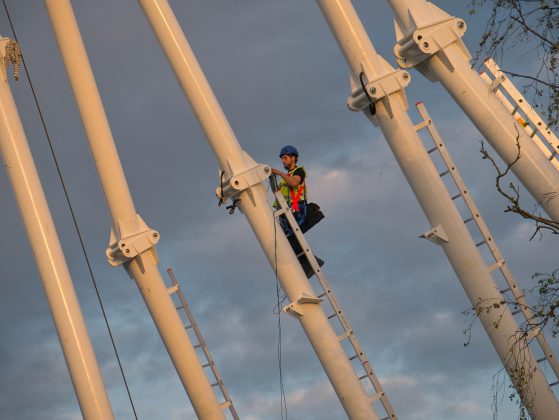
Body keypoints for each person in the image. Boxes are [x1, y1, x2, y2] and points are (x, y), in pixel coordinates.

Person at [272, 145, 324, 278]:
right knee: (286, 240)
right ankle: (309, 262)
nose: (283, 161)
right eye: (282, 158)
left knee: (290, 235)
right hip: (285, 211)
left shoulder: (299, 171)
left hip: (296, 208)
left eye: (285, 158)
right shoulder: (285, 179)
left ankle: (310, 263)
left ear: (293, 158)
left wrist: (279, 173)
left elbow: (294, 183)